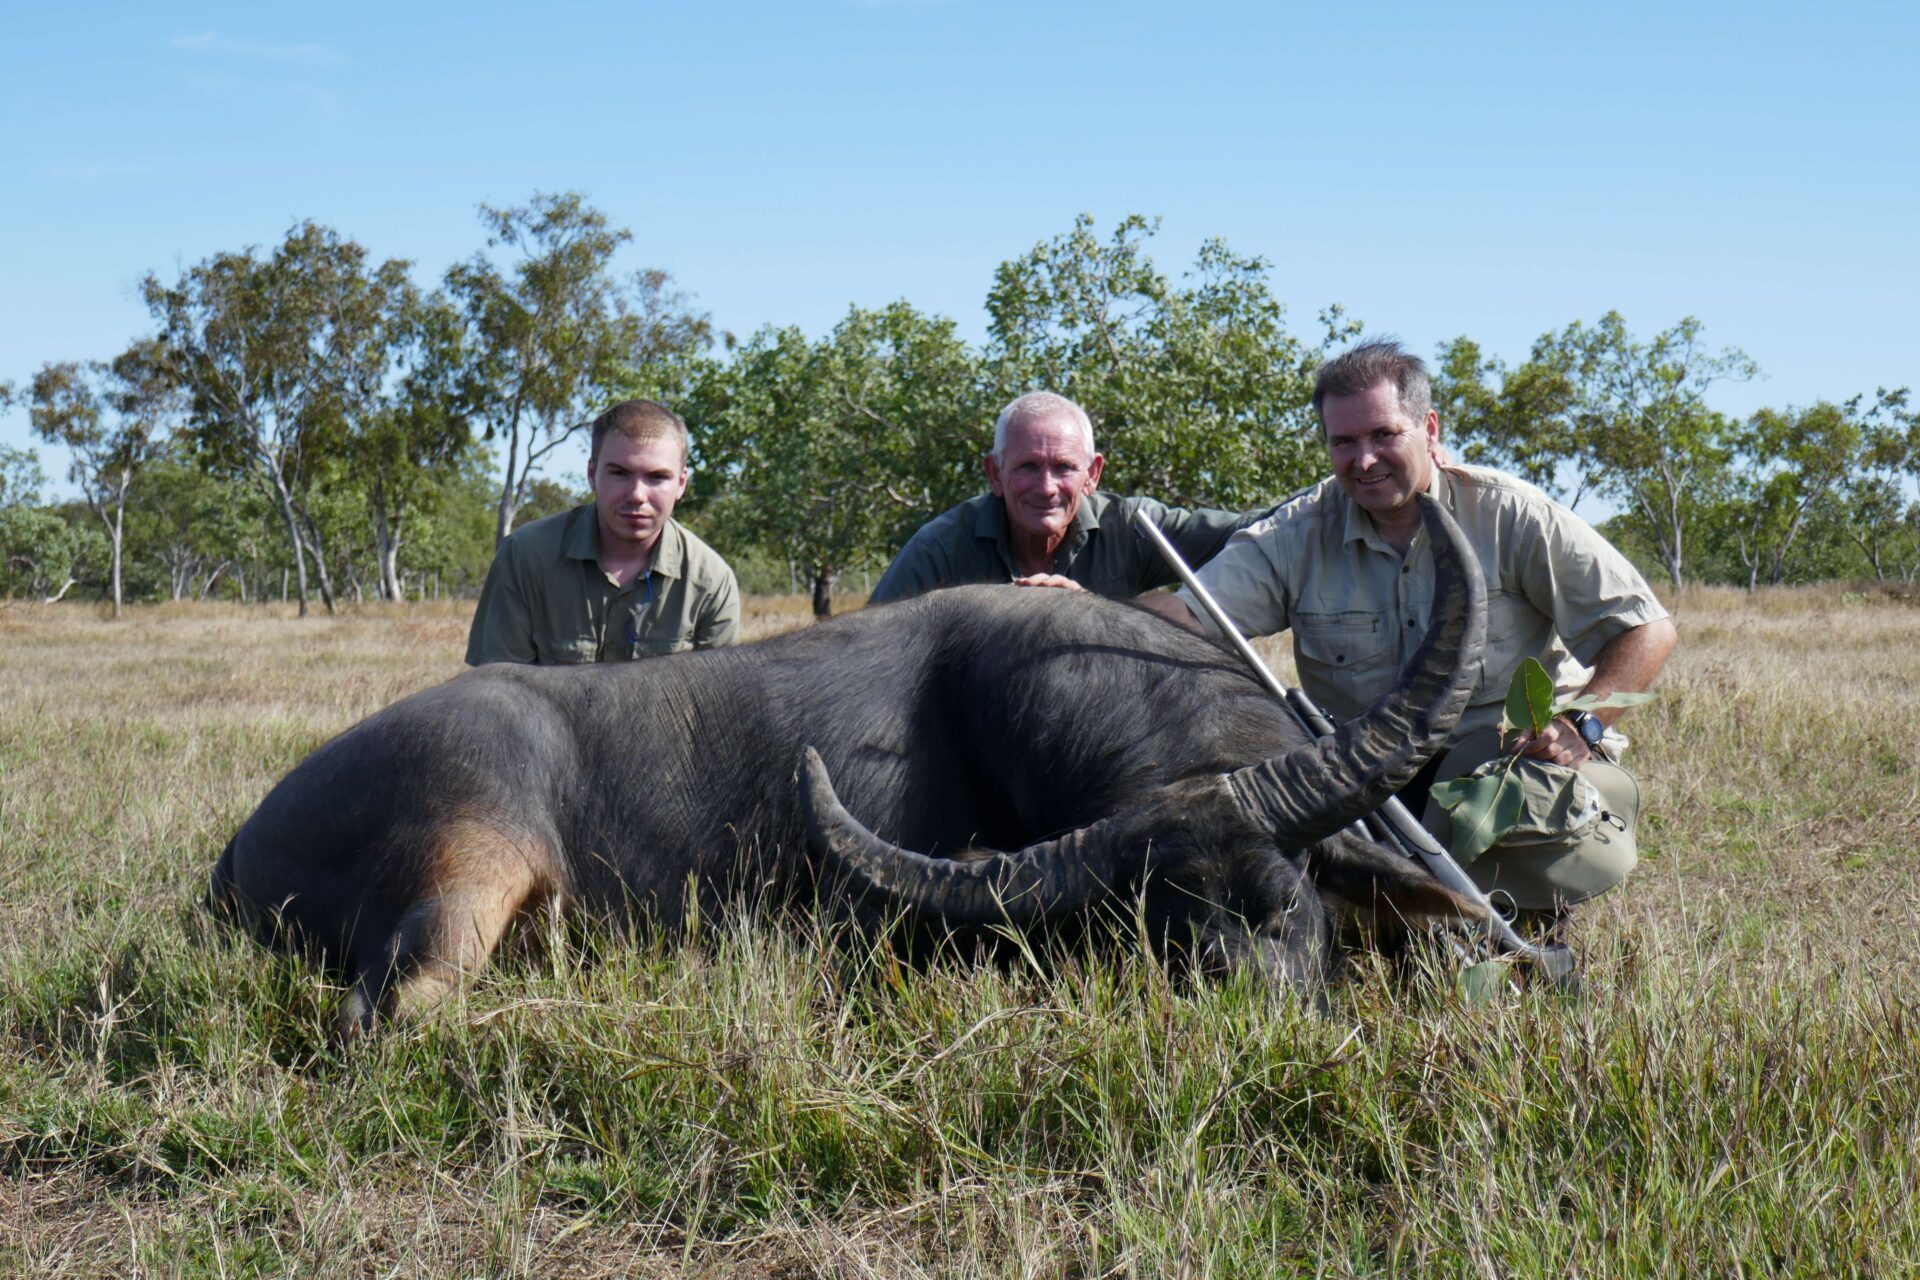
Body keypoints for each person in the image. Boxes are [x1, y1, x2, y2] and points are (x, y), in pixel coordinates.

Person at [1143, 339, 1677, 915]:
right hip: (1367, 780)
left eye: (1384, 435)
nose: (1364, 460)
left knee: (1525, 841)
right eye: (1343, 442)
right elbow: (1183, 620)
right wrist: (1089, 609)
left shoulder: (1511, 514)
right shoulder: (1293, 534)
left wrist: (1582, 723)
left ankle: (1522, 910)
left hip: (1503, 761)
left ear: (1429, 428)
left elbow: (1646, 629)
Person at [869, 391, 1271, 604]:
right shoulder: (940, 548)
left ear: (1092, 474)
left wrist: (1090, 614)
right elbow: (869, 651)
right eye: (1027, 467)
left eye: (1064, 467)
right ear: (994, 474)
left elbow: (1267, 528)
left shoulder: (1132, 529)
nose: (1046, 487)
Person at [466, 399, 740, 665]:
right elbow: (499, 686)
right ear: (592, 474)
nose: (637, 495)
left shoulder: (711, 582)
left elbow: (715, 695)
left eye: (657, 477)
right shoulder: (524, 557)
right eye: (619, 473)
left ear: (680, 484)